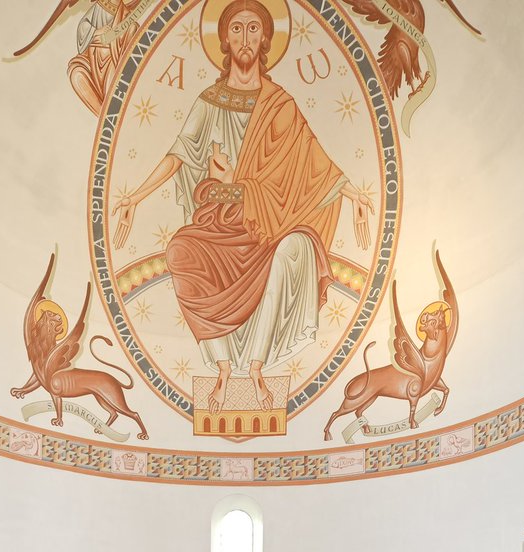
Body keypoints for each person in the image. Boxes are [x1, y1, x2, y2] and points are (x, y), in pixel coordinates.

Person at [113, 0, 372, 412]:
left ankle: (255, 368)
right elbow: (178, 153)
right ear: (224, 39)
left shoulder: (280, 103)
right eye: (237, 29)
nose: (246, 38)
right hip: (221, 224)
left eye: (254, 29)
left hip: (271, 223)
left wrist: (353, 193)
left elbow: (311, 161)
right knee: (181, 248)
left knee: (295, 249)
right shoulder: (210, 101)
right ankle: (220, 367)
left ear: (267, 39)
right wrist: (133, 197)